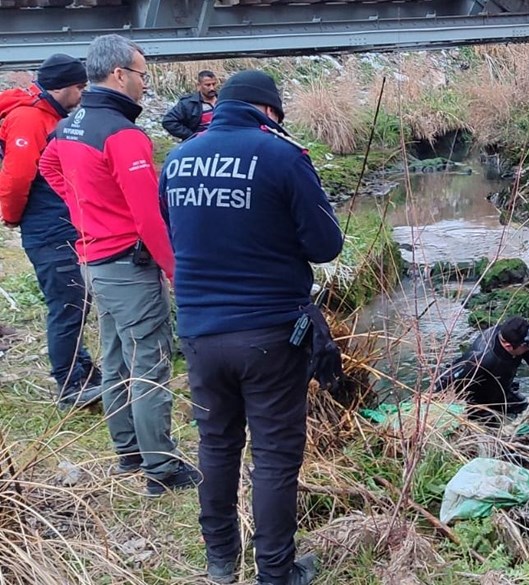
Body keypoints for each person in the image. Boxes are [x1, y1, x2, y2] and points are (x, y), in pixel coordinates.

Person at [161, 70, 344, 585]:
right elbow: (325, 245)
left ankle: (221, 562)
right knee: (274, 455)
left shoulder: (177, 159)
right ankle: (275, 573)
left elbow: (175, 232)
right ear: (270, 111)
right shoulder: (284, 156)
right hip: (268, 334)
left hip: (199, 332)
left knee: (215, 446)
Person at [39, 34, 198, 495]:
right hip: (127, 263)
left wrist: (83, 208)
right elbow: (149, 215)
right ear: (120, 75)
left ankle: (128, 450)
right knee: (149, 361)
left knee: (113, 357)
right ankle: (161, 468)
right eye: (142, 75)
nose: (145, 85)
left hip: (94, 260)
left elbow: (49, 166)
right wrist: (175, 271)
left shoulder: (72, 123)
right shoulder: (123, 134)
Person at [0, 53, 102, 410]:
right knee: (67, 301)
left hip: (55, 222)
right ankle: (71, 385)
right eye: (79, 87)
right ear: (64, 86)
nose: (82, 95)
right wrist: (12, 216)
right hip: (47, 226)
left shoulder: (45, 115)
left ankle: (83, 371)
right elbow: (16, 177)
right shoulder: (29, 119)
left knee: (74, 299)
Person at [433, 316, 529, 422]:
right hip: (478, 399)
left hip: (503, 388)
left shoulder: (519, 337)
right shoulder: (481, 358)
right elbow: (448, 378)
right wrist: (433, 399)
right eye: (526, 346)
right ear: (508, 346)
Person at [161, 69, 218, 141]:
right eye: (207, 85)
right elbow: (168, 121)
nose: (212, 88)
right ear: (199, 85)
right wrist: (191, 136)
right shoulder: (188, 103)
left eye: (214, 84)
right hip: (199, 144)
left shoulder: (223, 100)